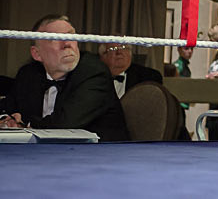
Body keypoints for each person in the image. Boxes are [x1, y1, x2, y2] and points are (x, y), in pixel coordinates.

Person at [0, 14, 129, 141]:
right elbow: (7, 106)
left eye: (70, 36)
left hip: (100, 155)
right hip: (40, 155)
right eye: (56, 38)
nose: (67, 43)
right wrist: (7, 120)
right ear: (37, 54)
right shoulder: (28, 74)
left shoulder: (94, 72)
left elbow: (65, 123)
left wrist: (25, 124)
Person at [98, 42, 163, 99]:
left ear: (130, 54)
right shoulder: (94, 76)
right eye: (114, 49)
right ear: (103, 56)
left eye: (123, 48)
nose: (119, 52)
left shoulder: (149, 76)